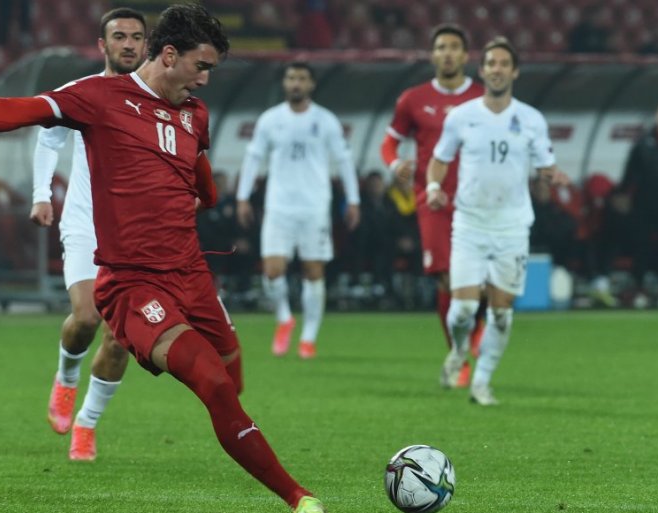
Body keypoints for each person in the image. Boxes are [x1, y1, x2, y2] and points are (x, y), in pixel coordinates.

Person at [0, 5, 325, 512]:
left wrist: (204, 196)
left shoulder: (194, 113)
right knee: (210, 381)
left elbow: (199, 171)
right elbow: (18, 110)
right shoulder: (99, 98)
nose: (206, 79)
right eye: (201, 66)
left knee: (231, 372)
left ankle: (229, 431)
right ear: (169, 56)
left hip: (190, 270)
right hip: (132, 283)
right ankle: (300, 498)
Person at [28, 8, 146, 462]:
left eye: (136, 37)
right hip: (85, 224)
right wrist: (42, 195)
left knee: (120, 338)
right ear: (103, 45)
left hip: (135, 234)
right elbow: (48, 138)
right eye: (120, 36)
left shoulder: (158, 101)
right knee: (85, 319)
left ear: (147, 45)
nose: (128, 44)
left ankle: (87, 425)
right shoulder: (83, 92)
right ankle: (66, 377)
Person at [426, 37, 568, 406]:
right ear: (482, 70)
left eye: (504, 64)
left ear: (514, 72)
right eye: (491, 63)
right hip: (470, 224)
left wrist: (552, 176)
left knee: (501, 314)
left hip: (512, 227)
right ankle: (459, 349)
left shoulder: (531, 119)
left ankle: (482, 382)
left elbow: (545, 164)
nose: (497, 69)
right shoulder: (462, 116)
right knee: (463, 310)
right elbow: (440, 159)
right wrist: (433, 186)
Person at [379, 24, 485, 387]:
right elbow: (389, 143)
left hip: (477, 198)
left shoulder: (482, 97)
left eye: (454, 47)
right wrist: (395, 164)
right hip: (432, 198)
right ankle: (459, 353)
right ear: (433, 54)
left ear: (465, 55)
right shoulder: (413, 99)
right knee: (446, 278)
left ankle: (476, 328)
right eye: (441, 47)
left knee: (479, 280)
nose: (447, 53)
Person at [236, 61, 360, 360]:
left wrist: (354, 199)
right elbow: (253, 158)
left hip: (314, 207)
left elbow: (344, 161)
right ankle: (284, 318)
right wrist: (242, 196)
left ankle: (308, 338)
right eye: (291, 78)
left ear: (311, 84)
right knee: (272, 271)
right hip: (279, 206)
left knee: (313, 271)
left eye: (302, 78)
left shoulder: (326, 120)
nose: (296, 83)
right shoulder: (270, 120)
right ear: (284, 83)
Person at [615, 101, 658, 308]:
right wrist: (622, 193)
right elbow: (631, 171)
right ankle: (640, 288)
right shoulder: (644, 142)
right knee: (641, 245)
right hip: (643, 202)